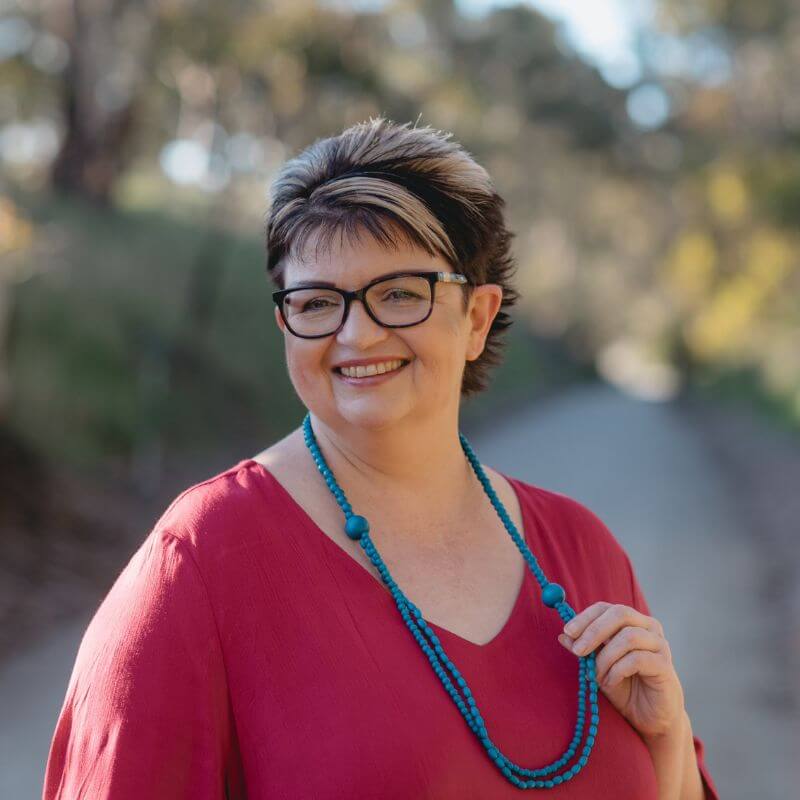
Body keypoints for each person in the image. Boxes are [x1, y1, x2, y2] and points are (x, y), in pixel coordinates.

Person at [42, 117, 720, 799]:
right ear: (285, 323)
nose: (356, 334)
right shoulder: (201, 562)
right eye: (316, 301)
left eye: (399, 293)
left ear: (477, 318)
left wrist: (667, 735)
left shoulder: (583, 552)